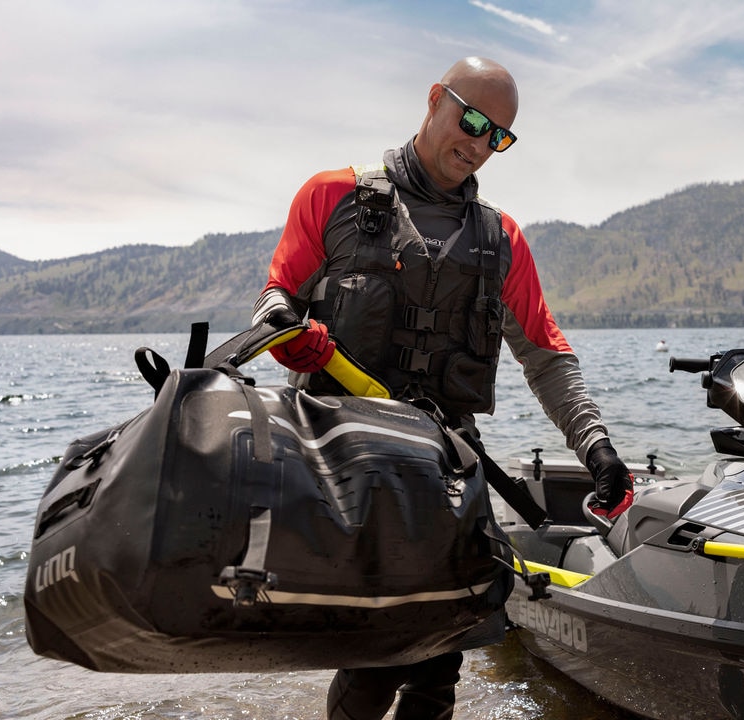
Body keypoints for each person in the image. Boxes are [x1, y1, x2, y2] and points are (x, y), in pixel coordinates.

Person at [251, 56, 635, 720]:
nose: (481, 145)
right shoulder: (330, 197)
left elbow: (547, 358)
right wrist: (289, 329)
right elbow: (272, 302)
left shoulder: (501, 240)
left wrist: (597, 448)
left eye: (500, 137)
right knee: (374, 661)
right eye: (474, 120)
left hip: (445, 470)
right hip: (344, 470)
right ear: (435, 99)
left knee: (440, 663)